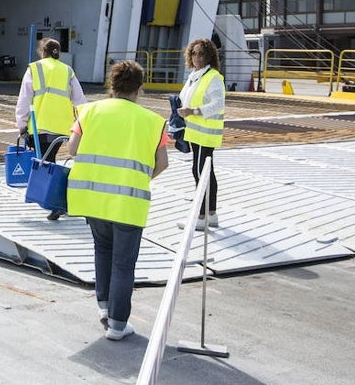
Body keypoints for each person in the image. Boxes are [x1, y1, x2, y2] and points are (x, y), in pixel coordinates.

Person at [63, 60, 169, 341]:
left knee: (102, 251)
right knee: (123, 263)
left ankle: (105, 307)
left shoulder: (89, 111)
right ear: (139, 88)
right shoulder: (153, 122)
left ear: (112, 85)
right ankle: (118, 325)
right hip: (129, 202)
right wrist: (139, 177)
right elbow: (162, 163)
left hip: (94, 199)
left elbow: (72, 149)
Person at [15, 38, 88, 219]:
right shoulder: (67, 71)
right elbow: (80, 100)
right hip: (62, 127)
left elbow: (24, 98)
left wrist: (21, 125)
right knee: (51, 161)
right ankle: (60, 201)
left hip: (40, 126)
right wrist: (82, 124)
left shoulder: (34, 68)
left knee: (47, 164)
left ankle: (58, 202)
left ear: (42, 51)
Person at [176, 38, 225, 230]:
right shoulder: (196, 75)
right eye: (194, 53)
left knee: (200, 173)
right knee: (206, 172)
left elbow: (218, 104)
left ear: (209, 56)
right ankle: (211, 214)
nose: (197, 57)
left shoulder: (212, 77)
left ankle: (201, 216)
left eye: (201, 53)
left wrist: (193, 111)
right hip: (196, 132)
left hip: (205, 133)